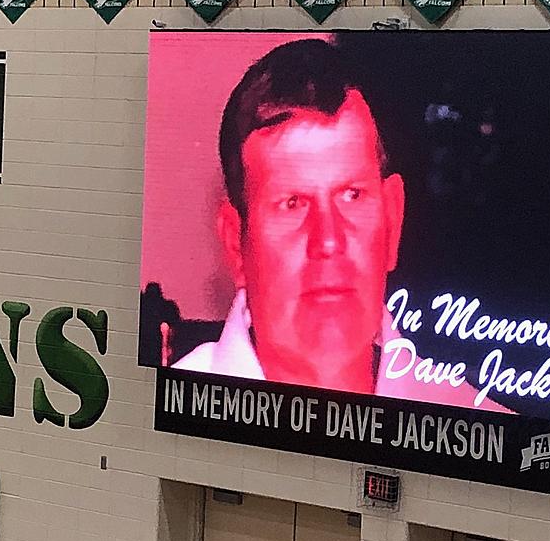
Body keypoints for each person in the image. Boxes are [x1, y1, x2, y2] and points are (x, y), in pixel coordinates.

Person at [173, 38, 507, 413]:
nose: (328, 241)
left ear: (392, 220)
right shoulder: (164, 414)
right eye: (293, 204)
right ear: (236, 243)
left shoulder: (484, 429)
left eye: (352, 195)